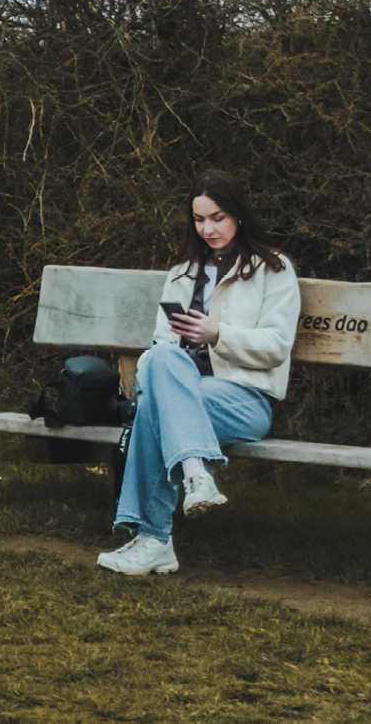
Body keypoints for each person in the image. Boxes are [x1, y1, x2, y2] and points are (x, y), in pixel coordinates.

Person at [98, 170, 300, 576]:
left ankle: (154, 540)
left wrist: (218, 334)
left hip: (243, 399)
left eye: (217, 218)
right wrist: (171, 358)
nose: (208, 229)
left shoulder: (272, 269)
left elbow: (277, 346)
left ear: (238, 215)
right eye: (199, 219)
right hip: (183, 392)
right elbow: (161, 345)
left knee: (154, 409)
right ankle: (196, 476)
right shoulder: (182, 273)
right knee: (159, 361)